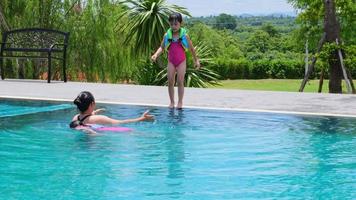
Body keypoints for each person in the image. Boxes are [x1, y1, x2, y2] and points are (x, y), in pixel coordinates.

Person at [151, 12, 200, 109]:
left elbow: (191, 48)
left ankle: (180, 102)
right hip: (171, 61)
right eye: (171, 24)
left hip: (181, 61)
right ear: (169, 24)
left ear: (181, 23)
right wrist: (156, 54)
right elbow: (162, 47)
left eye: (176, 24)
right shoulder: (167, 35)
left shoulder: (184, 36)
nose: (173, 26)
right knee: (170, 81)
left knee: (180, 81)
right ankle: (172, 102)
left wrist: (196, 60)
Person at [70, 91, 154, 133]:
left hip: (81, 144)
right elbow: (121, 122)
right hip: (93, 145)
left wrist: (93, 113)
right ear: (92, 104)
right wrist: (141, 119)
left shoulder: (75, 118)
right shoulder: (100, 118)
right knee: (129, 131)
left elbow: (85, 118)